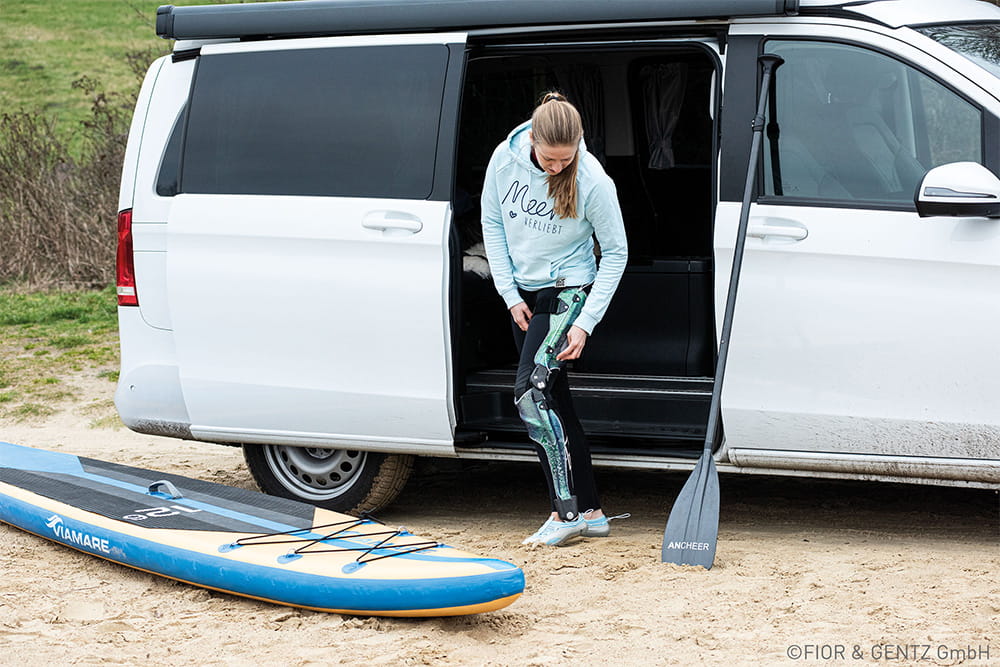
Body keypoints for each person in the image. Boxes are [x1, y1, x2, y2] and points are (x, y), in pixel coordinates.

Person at [480, 92, 628, 547]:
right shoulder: (503, 162)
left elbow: (617, 253)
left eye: (566, 159)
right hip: (523, 297)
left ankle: (565, 514)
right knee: (556, 404)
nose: (557, 167)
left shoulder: (593, 181)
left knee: (531, 396)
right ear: (534, 140)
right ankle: (592, 510)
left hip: (568, 294)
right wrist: (507, 294)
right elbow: (492, 223)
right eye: (549, 158)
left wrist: (585, 322)